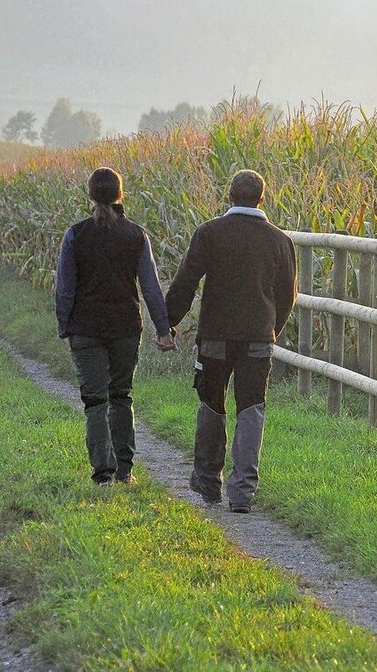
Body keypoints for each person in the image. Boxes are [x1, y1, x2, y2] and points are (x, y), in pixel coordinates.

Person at [166, 169, 297, 513]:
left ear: (229, 196)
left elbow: (186, 282)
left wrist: (167, 323)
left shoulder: (209, 233)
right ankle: (242, 492)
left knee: (212, 404)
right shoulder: (280, 240)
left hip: (215, 336)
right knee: (251, 409)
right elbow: (287, 296)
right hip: (258, 337)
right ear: (262, 199)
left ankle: (208, 482)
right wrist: (272, 330)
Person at [55, 167, 175, 486]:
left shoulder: (75, 234)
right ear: (121, 195)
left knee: (95, 401)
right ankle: (125, 470)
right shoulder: (136, 235)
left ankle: (102, 473)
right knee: (121, 395)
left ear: (90, 196)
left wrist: (64, 326)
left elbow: (65, 287)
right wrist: (163, 330)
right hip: (124, 327)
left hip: (85, 329)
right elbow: (150, 287)